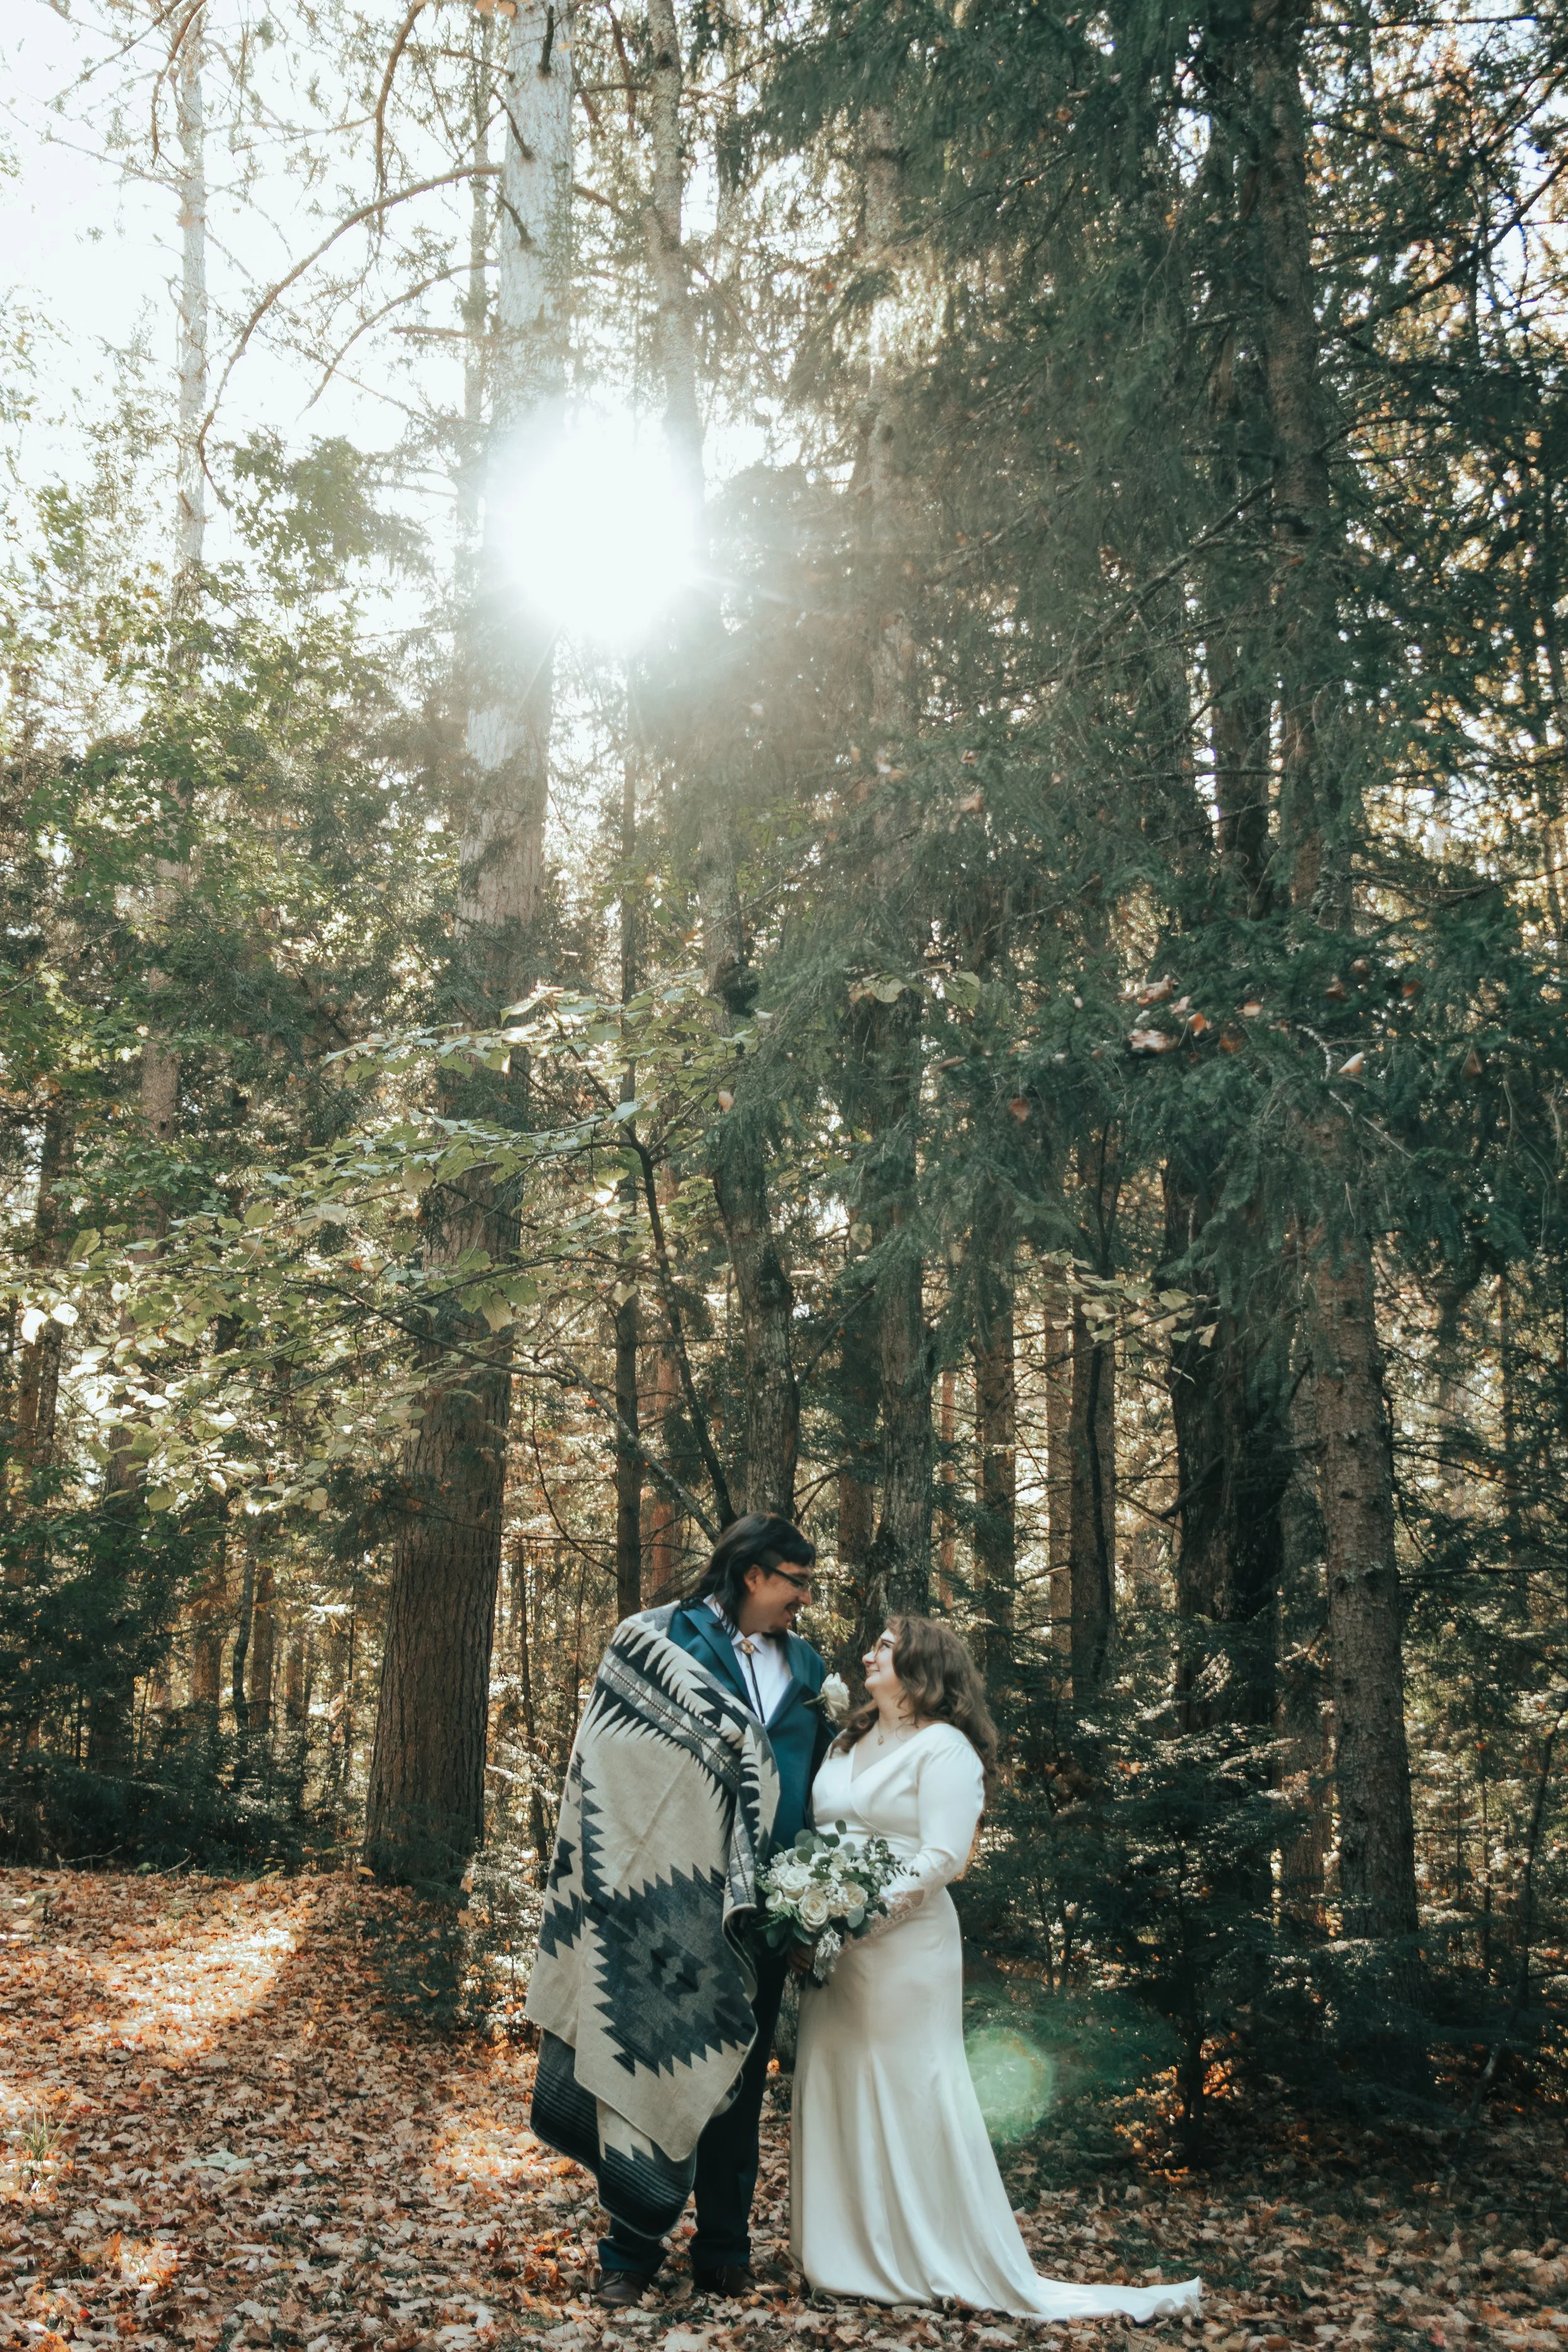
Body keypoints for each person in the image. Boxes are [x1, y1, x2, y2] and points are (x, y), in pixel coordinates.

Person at [790, 1618, 1202, 2323]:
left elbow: (943, 1855)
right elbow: (818, 1832)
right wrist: (806, 1908)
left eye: (885, 1647)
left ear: (922, 1664)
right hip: (835, 1952)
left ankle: (925, 2250)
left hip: (904, 1948)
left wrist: (859, 1914)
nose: (868, 1654)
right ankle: (843, 2253)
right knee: (834, 2078)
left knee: (909, 2086)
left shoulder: (946, 1750)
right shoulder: (846, 1738)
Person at [526, 1514, 834, 2312]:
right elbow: (605, 1763)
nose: (805, 1597)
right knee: (642, 2054)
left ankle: (724, 2250)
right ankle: (628, 2252)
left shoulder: (807, 1666)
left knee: (739, 2074)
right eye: (795, 1581)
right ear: (753, 1574)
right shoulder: (655, 1639)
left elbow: (809, 1780)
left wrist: (810, 1893)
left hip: (762, 1909)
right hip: (655, 1905)